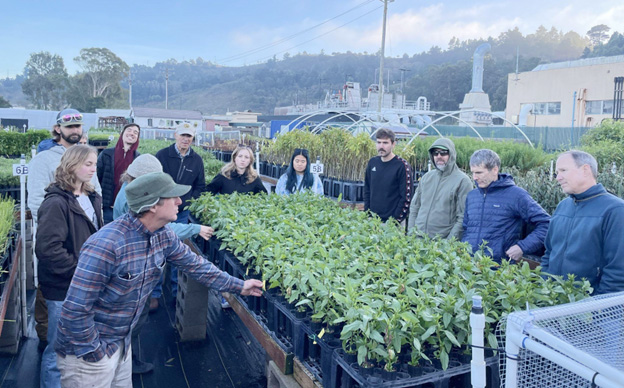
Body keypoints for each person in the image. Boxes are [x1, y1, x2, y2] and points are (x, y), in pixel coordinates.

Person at [55, 172, 263, 387]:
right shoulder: (107, 244)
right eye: (173, 196)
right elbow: (75, 309)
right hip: (89, 353)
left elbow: (197, 266)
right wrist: (95, 352)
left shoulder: (163, 235)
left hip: (122, 344)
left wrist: (240, 285)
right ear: (153, 205)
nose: (179, 201)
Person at [112, 154, 214, 374]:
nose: (177, 200)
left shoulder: (129, 191)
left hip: (136, 269)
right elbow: (162, 228)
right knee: (132, 320)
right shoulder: (133, 200)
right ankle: (123, 363)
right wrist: (196, 229)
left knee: (133, 318)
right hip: (133, 271)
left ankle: (124, 360)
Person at [28, 108, 102, 350]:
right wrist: (61, 224)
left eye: (78, 126)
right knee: (52, 298)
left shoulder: (87, 158)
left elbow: (94, 192)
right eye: (69, 126)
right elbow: (38, 200)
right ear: (58, 129)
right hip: (59, 237)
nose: (75, 130)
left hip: (84, 243)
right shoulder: (44, 159)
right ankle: (44, 336)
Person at [36, 145, 103, 388]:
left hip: (86, 286)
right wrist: (82, 272)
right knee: (58, 352)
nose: (93, 168)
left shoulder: (92, 196)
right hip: (64, 288)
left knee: (78, 349)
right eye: (88, 164)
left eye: (95, 164)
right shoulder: (56, 202)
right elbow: (48, 250)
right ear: (72, 165)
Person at [541, 150, 624, 295]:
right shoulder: (563, 206)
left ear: (585, 170)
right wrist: (544, 285)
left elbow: (618, 268)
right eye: (557, 172)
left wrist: (599, 307)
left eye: (563, 170)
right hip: (553, 300)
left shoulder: (615, 210)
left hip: (588, 307)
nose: (558, 177)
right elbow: (549, 252)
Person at [462, 149, 550, 264]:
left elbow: (546, 224)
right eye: (473, 172)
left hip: (499, 269)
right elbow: (466, 228)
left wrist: (522, 247)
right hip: (470, 267)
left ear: (495, 170)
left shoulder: (516, 195)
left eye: (479, 172)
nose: (474, 177)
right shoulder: (472, 196)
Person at [408, 138, 473, 239]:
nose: (439, 156)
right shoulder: (427, 177)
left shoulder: (462, 181)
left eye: (443, 153)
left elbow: (462, 217)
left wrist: (448, 243)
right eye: (435, 153)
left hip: (441, 243)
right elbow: (415, 207)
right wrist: (411, 234)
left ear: (451, 155)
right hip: (418, 241)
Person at [155, 122, 205, 223]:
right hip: (162, 208)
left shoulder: (197, 160)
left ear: (193, 138)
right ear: (175, 135)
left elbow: (200, 185)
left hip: (182, 211)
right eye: (183, 135)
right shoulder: (162, 155)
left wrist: (188, 202)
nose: (185, 139)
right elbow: (154, 180)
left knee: (179, 237)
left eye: (189, 136)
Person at [363, 128, 412, 223]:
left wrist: (394, 222)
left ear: (393, 144)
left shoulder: (402, 166)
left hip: (392, 224)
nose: (381, 146)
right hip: (373, 221)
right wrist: (367, 214)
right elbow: (367, 190)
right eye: (378, 142)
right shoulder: (373, 163)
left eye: (385, 143)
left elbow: (406, 198)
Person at [97, 123, 141, 223]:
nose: (132, 133)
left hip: (126, 209)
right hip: (106, 207)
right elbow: (96, 177)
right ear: (122, 133)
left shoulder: (138, 158)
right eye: (129, 130)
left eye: (136, 132)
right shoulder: (107, 154)